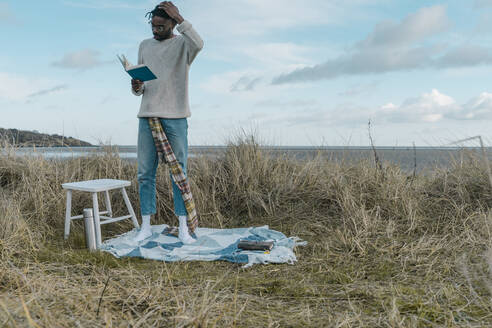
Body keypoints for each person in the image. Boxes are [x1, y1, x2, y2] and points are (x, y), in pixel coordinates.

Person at [131, 1, 203, 244]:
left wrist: (181, 17)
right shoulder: (144, 45)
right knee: (145, 174)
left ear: (172, 23)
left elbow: (200, 43)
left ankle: (183, 227)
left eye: (160, 26)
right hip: (147, 115)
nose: (155, 30)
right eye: (153, 26)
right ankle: (146, 226)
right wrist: (137, 86)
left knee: (179, 173)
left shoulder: (184, 45)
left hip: (176, 116)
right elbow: (141, 88)